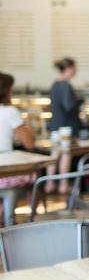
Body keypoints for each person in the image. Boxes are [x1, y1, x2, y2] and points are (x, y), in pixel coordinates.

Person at [0, 72, 36, 224]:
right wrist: (28, 124)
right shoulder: (10, 112)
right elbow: (29, 143)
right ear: (7, 90)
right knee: (37, 179)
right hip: (5, 172)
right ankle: (29, 222)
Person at [45, 57, 82, 194]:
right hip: (66, 126)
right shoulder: (66, 85)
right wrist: (80, 101)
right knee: (66, 154)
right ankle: (63, 184)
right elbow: (69, 106)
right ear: (69, 68)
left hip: (56, 125)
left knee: (54, 154)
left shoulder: (55, 84)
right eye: (74, 68)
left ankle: (49, 183)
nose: (76, 71)